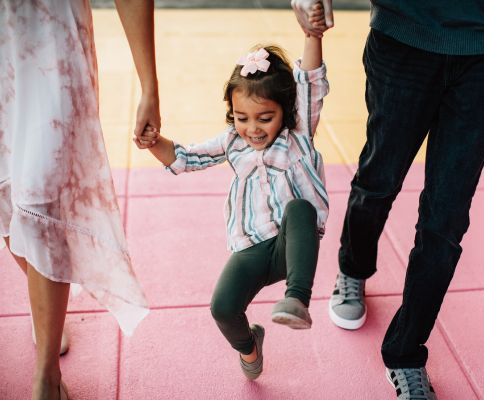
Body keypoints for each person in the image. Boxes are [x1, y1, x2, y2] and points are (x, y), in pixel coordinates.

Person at [293, 0, 484, 399]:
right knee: (378, 179)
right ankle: (353, 269)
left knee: (446, 218)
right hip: (402, 37)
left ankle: (406, 354)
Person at [136, 2, 329, 381]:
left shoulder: (298, 135)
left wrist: (313, 35)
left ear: (285, 112)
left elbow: (310, 81)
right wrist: (153, 142)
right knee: (222, 307)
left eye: (265, 118)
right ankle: (249, 344)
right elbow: (187, 157)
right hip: (252, 247)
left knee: (300, 209)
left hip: (293, 244)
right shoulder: (232, 143)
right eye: (242, 118)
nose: (253, 128)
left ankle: (297, 299)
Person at [0, 1, 159, 398]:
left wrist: (149, 82)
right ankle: (46, 317)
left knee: (41, 198)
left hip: (54, 45)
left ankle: (46, 375)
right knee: (6, 195)